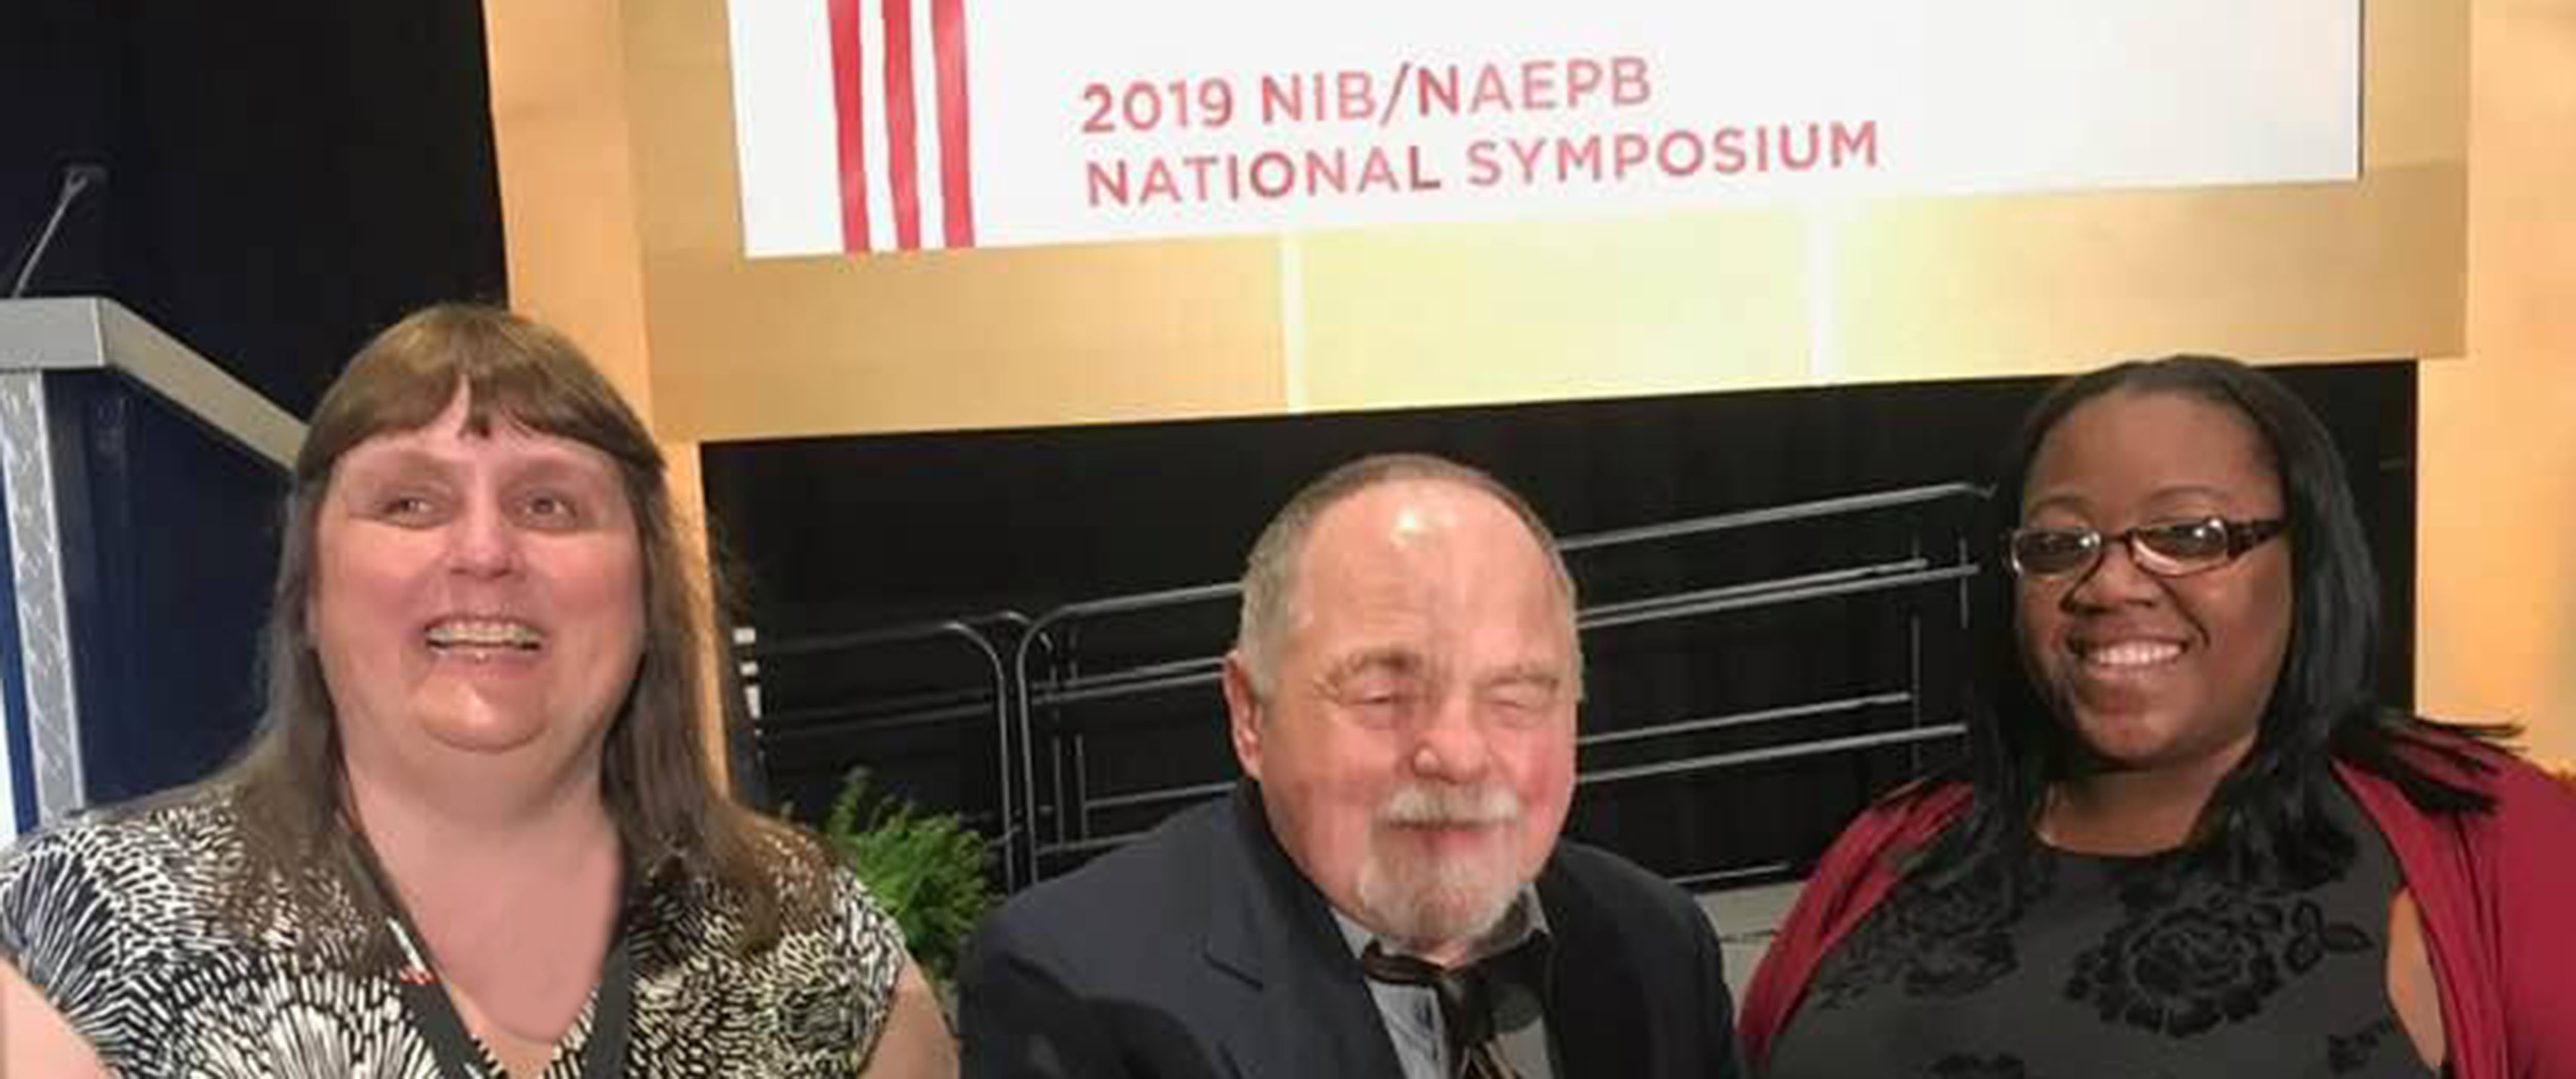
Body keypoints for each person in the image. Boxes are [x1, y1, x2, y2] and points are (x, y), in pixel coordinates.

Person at [0, 304, 956, 1077]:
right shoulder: (85, 930)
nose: (486, 552)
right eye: (411, 501)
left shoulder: (806, 931)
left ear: (646, 586)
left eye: (550, 503)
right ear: (309, 589)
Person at [1739, 357, 2576, 1078]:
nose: (2110, 584)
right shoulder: (1896, 846)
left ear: (2307, 558)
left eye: (2188, 533)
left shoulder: (2490, 845)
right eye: (2059, 546)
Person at [958, 453, 1740, 1078]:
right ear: (1250, 713)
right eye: (1384, 692)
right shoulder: (1080, 983)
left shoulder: (1658, 943)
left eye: (1516, 693)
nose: (1459, 753)